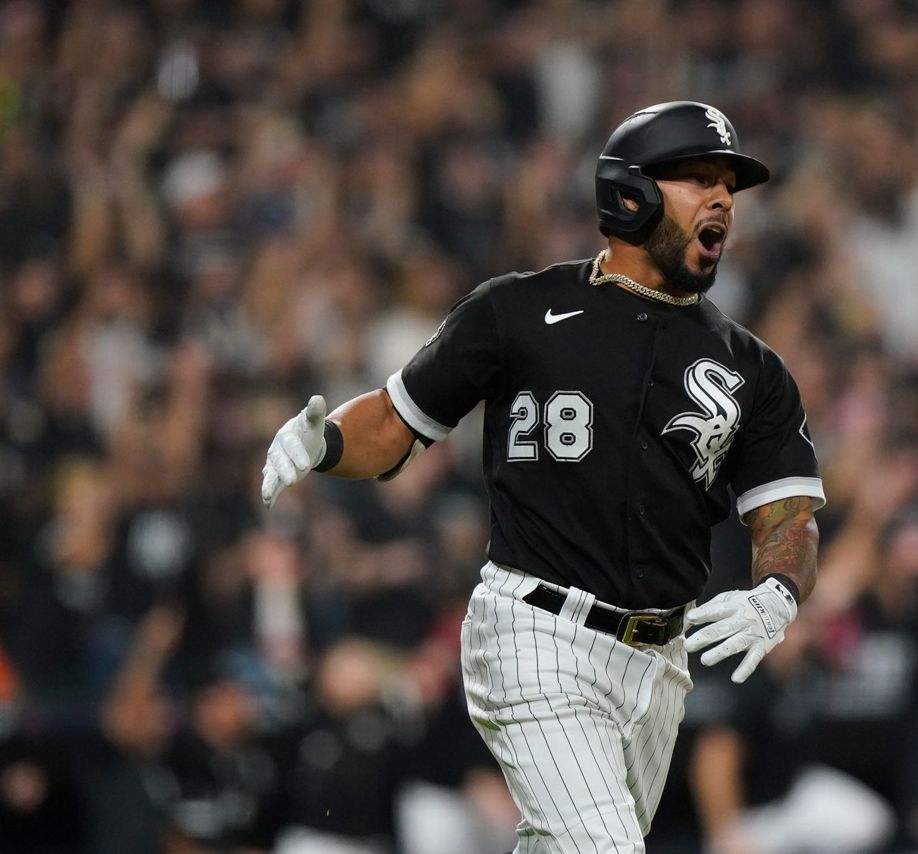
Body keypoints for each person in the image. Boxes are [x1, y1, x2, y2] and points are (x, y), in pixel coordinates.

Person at [260, 101, 826, 851]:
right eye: (697, 177)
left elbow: (786, 515)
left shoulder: (753, 368)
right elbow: (397, 423)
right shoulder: (520, 310)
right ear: (632, 192)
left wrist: (779, 593)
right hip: (537, 631)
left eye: (728, 184)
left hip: (660, 662)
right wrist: (327, 443)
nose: (722, 197)